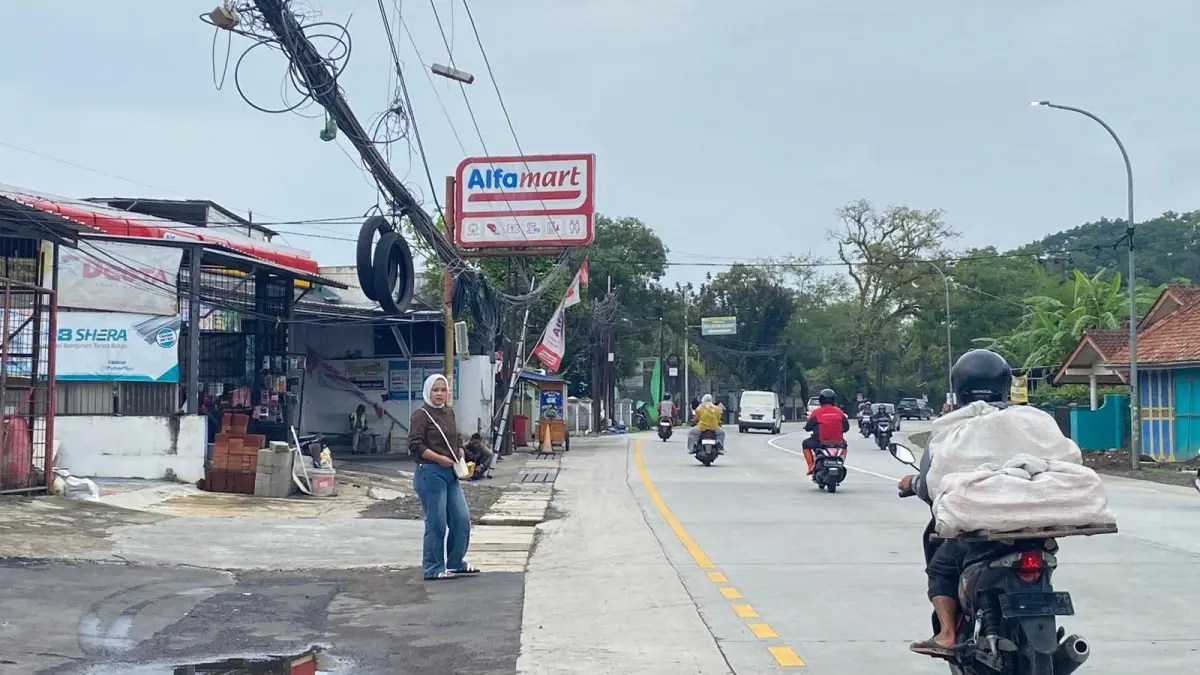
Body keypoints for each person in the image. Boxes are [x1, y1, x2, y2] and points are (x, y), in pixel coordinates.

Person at [897, 348, 1012, 657]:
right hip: (1032, 528)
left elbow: (931, 481)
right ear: (1006, 384)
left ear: (959, 388)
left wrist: (914, 485)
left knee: (941, 568)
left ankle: (947, 634)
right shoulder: (1028, 420)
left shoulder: (949, 429)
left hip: (977, 527)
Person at [408, 374, 477, 581]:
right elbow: (415, 445)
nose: (440, 394)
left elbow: (454, 439)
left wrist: (460, 452)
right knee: (436, 522)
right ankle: (433, 567)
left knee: (461, 518)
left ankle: (455, 563)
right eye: (435, 390)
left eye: (443, 390)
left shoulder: (449, 413)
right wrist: (439, 459)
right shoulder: (420, 415)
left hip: (450, 472)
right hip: (430, 473)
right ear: (428, 391)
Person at [801, 388, 849, 474]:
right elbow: (846, 428)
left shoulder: (817, 412)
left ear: (820, 400)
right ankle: (841, 461)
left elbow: (808, 427)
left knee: (805, 444)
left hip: (820, 442)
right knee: (844, 446)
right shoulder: (839, 412)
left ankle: (811, 466)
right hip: (838, 442)